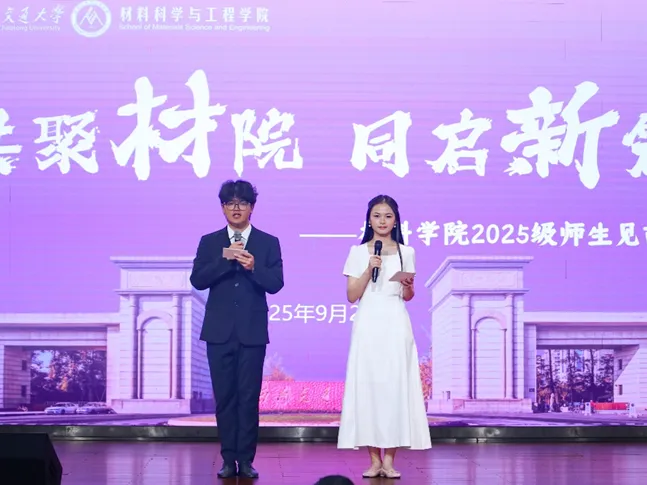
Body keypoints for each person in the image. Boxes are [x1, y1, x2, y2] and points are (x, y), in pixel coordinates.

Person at [190, 179, 284, 479]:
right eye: (230, 203)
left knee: (248, 398)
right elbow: (197, 280)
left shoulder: (268, 242)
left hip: (252, 332)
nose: (236, 208)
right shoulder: (209, 241)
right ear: (222, 208)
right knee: (225, 398)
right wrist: (225, 258)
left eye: (242, 203)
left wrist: (254, 267)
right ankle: (228, 459)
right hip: (218, 333)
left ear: (251, 207)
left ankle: (246, 460)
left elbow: (276, 283)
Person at [337, 195, 431, 478]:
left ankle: (389, 460)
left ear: (396, 220)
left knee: (394, 388)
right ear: (369, 220)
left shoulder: (406, 252)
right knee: (369, 387)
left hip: (395, 322)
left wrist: (409, 286)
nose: (382, 221)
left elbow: (408, 295)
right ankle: (373, 460)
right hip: (368, 322)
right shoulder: (357, 252)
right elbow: (352, 295)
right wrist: (369, 268)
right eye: (377, 215)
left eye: (388, 216)